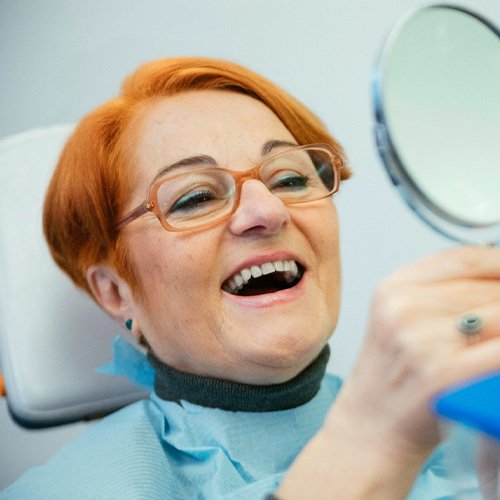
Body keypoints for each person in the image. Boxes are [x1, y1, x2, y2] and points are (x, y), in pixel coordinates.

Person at [2, 56, 500, 499]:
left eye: (290, 178)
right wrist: (369, 442)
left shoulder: (458, 428)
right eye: (195, 197)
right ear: (116, 292)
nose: (268, 209)